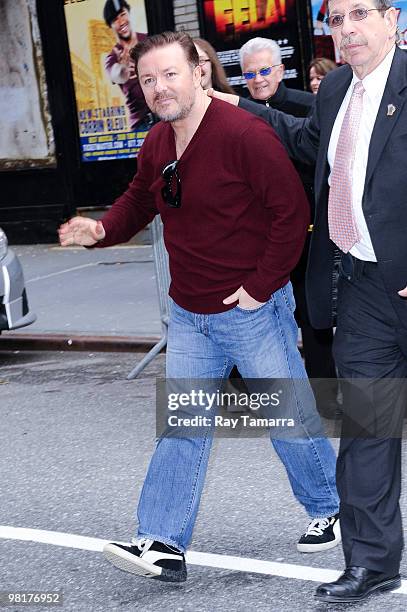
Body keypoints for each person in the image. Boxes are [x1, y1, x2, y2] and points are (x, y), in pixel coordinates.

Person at [59, 31, 340, 582]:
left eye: (169, 74)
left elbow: (292, 212)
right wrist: (101, 228)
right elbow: (140, 199)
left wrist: (261, 287)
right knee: (183, 427)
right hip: (189, 314)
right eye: (147, 79)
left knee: (286, 417)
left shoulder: (245, 135)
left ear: (199, 74)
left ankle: (331, 505)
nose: (159, 88)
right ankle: (162, 542)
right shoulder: (159, 143)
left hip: (251, 311)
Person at [210, 0, 405, 603]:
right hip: (364, 288)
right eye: (335, 18)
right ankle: (373, 563)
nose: (345, 29)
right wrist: (238, 104)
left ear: (392, 19)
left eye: (359, 15)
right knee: (369, 430)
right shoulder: (336, 88)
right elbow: (307, 142)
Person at [241, 37, 339, 417]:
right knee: (265, 319)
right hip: (264, 236)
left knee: (315, 319)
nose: (259, 79)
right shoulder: (240, 113)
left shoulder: (308, 106)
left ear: (281, 70)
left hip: (311, 230)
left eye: (265, 70)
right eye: (250, 73)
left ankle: (325, 398)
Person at [103, 0, 153, 131]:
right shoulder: (112, 57)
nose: (121, 22)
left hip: (164, 117)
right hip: (140, 125)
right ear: (111, 26)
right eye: (115, 19)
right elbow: (116, 75)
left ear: (129, 13)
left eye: (122, 14)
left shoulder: (150, 40)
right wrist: (123, 67)